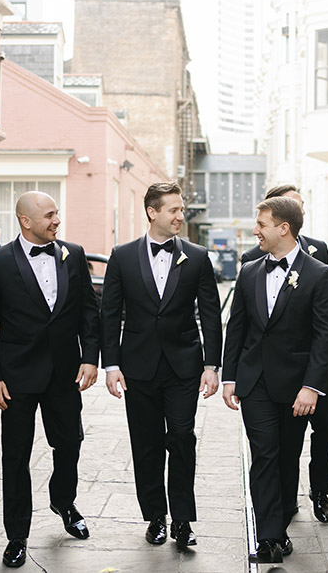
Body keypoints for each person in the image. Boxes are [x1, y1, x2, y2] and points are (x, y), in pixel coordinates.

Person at [0, 191, 99, 568]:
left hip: (64, 374)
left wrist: (90, 358)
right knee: (15, 457)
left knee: (70, 446)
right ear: (25, 221)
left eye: (57, 213)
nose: (56, 220)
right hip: (16, 378)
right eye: (49, 215)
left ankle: (63, 500)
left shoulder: (72, 254)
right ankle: (17, 535)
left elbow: (88, 312)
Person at [100, 182, 222, 548]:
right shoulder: (121, 256)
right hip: (138, 368)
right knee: (146, 443)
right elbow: (109, 314)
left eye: (181, 209)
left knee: (182, 438)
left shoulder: (197, 257)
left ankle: (183, 519)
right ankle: (155, 516)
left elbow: (211, 315)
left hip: (184, 367)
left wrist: (212, 365)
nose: (180, 216)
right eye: (173, 210)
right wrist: (111, 365)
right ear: (153, 212)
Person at [222, 196, 328, 563]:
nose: (255, 230)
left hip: (295, 386)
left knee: (287, 457)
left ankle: (282, 518)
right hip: (254, 382)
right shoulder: (249, 271)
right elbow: (236, 328)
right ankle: (269, 538)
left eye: (262, 223)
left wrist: (312, 386)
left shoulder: (319, 274)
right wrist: (229, 378)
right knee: (265, 456)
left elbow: (324, 336)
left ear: (283, 228)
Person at [239, 184, 328, 523]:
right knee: (278, 449)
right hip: (267, 374)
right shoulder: (251, 263)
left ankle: (319, 491)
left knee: (324, 427)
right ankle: (279, 515)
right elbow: (241, 326)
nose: (301, 211)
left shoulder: (318, 254)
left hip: (311, 368)